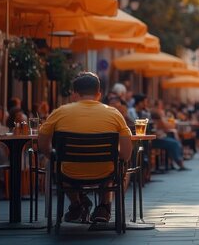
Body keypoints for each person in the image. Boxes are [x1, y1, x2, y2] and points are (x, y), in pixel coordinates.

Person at [38, 72, 132, 223]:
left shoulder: (59, 113)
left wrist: (54, 156)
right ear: (99, 94)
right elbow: (126, 153)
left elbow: (42, 144)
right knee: (119, 164)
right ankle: (103, 207)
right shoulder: (114, 114)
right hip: (105, 172)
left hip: (69, 172)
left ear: (74, 94)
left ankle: (77, 204)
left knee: (56, 163)